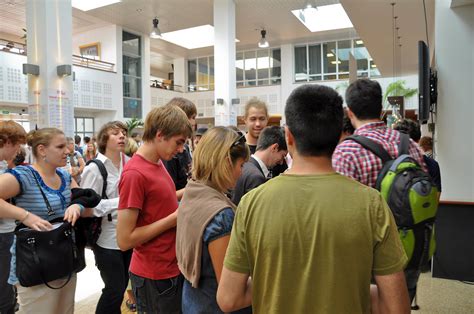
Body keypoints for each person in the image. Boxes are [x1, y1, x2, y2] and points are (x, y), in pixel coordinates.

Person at [217, 84, 410, 314]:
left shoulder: (252, 203)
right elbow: (397, 308)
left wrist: (281, 284)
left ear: (288, 136)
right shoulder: (372, 204)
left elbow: (228, 298)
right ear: (340, 135)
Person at [332, 79, 426, 304]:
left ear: (350, 111)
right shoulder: (410, 145)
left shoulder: (346, 151)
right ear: (381, 109)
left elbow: (340, 213)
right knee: (401, 304)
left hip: (368, 257)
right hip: (410, 244)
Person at [117, 105, 193, 314]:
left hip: (168, 268)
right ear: (160, 135)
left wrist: (189, 192)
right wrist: (174, 219)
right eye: (178, 142)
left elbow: (158, 201)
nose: (180, 150)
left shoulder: (157, 164)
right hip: (154, 275)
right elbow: (125, 239)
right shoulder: (135, 174)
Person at [0, 128, 85, 314]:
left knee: (65, 310)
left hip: (65, 258)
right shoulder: (24, 176)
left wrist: (77, 206)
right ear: (42, 150)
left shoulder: (63, 175)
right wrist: (25, 216)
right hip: (35, 262)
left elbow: (83, 197)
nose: (68, 151)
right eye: (60, 146)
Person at [176, 127, 249, 313]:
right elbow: (231, 294)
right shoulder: (221, 215)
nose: (242, 173)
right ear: (226, 163)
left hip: (194, 301)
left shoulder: (193, 190)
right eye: (241, 165)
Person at [80, 121, 131, 314]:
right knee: (114, 289)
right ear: (104, 139)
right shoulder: (95, 168)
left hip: (129, 235)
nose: (122, 136)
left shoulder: (129, 162)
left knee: (122, 286)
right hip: (106, 238)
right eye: (115, 133)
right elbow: (86, 207)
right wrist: (123, 202)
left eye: (124, 133)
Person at [0, 121, 26, 314]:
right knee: (4, 285)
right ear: (7, 141)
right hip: (2, 233)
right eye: (17, 145)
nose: (18, 150)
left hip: (6, 230)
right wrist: (25, 215)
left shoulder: (4, 165)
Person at [232, 126, 287, 205]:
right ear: (275, 148)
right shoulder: (256, 177)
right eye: (283, 156)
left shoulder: (245, 166)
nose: (281, 162)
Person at [163, 97, 197, 201]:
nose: (194, 122)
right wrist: (196, 188)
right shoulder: (169, 153)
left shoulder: (184, 149)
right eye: (192, 117)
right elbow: (168, 196)